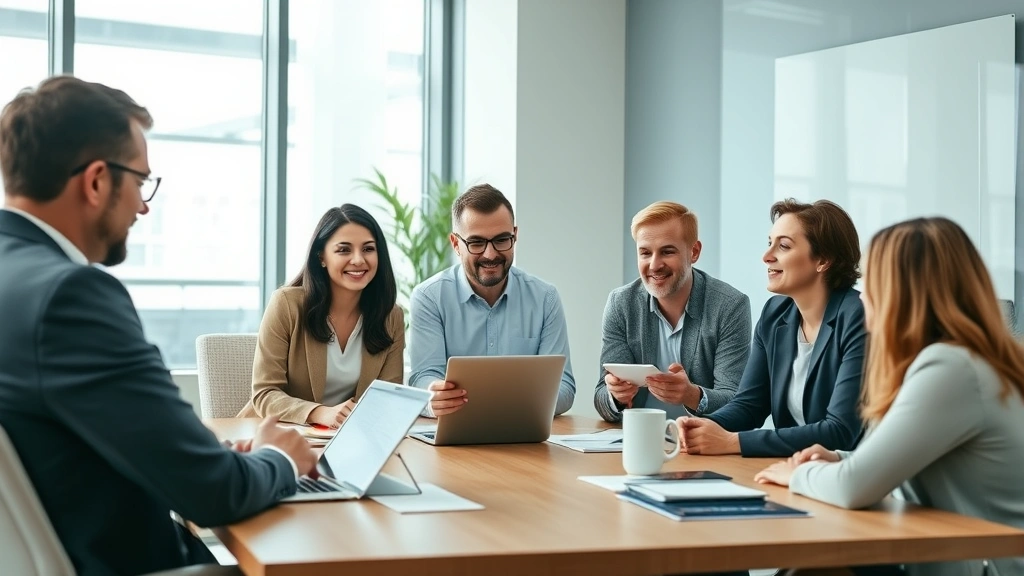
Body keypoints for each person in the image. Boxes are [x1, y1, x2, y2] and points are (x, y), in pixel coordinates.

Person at [0, 76, 317, 576]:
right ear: (98, 180)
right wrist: (280, 459)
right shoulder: (70, 297)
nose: (144, 206)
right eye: (141, 181)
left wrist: (201, 452)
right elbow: (215, 495)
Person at [755, 217, 1024, 576]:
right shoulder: (961, 359)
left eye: (873, 282)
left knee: (812, 570)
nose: (863, 296)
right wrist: (839, 457)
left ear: (901, 292)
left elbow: (853, 488)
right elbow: (913, 455)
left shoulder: (950, 368)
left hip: (983, 567)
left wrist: (797, 474)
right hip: (958, 556)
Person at [679, 199, 866, 457]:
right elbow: (749, 405)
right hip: (792, 469)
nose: (767, 256)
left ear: (823, 260)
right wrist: (704, 426)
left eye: (784, 246)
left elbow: (840, 431)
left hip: (848, 476)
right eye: (770, 243)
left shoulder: (858, 316)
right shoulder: (774, 314)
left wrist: (734, 442)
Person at [409, 184, 576, 416]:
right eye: (476, 243)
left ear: (515, 236)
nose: (490, 254)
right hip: (456, 434)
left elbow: (564, 386)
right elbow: (422, 377)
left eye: (501, 240)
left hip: (524, 438)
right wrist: (433, 397)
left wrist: (499, 406)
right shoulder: (429, 298)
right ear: (456, 244)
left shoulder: (545, 298)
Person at [239, 204, 405, 427]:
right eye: (344, 250)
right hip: (279, 436)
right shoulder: (287, 304)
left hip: (350, 442)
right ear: (321, 257)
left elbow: (388, 399)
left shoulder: (391, 316)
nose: (358, 260)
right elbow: (265, 393)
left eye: (368, 249)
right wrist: (319, 413)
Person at [595, 201, 751, 422]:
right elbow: (601, 396)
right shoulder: (621, 304)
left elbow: (737, 402)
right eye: (645, 253)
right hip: (639, 439)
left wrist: (691, 395)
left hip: (702, 445)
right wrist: (616, 397)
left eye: (667, 252)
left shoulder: (729, 306)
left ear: (694, 252)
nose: (654, 265)